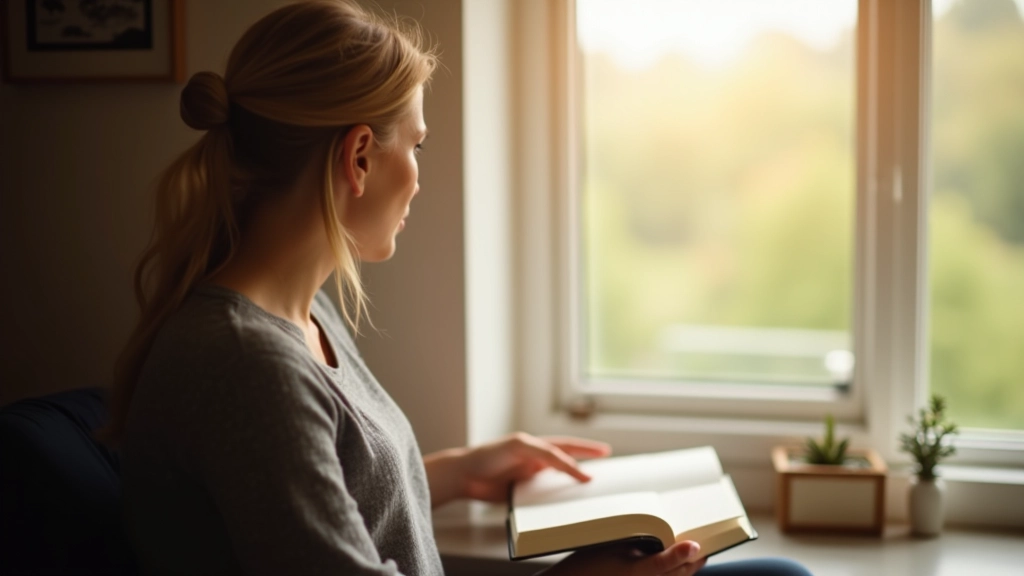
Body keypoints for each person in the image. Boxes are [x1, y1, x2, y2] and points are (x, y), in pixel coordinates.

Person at [106, 2, 813, 575]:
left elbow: (320, 488)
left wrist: (459, 471)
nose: (419, 172)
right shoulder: (246, 365)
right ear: (358, 156)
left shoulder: (299, 315)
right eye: (415, 145)